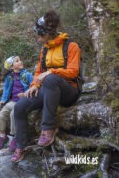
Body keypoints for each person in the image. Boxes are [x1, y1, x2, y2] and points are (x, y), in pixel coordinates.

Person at [11, 10, 81, 162]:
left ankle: (48, 128)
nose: (38, 38)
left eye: (40, 35)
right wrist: (35, 85)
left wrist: (50, 72)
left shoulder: (71, 46)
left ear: (49, 33)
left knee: (50, 79)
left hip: (69, 92)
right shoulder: (45, 49)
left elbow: (73, 72)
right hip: (49, 90)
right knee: (20, 107)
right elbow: (38, 71)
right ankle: (21, 145)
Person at [0, 56, 33, 152]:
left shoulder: (27, 75)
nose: (20, 62)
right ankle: (3, 135)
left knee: (13, 114)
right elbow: (6, 90)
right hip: (13, 101)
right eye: (17, 61)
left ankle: (15, 136)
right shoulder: (10, 77)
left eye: (20, 60)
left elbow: (34, 87)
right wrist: (3, 100)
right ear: (12, 67)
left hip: (23, 101)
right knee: (0, 116)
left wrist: (25, 94)